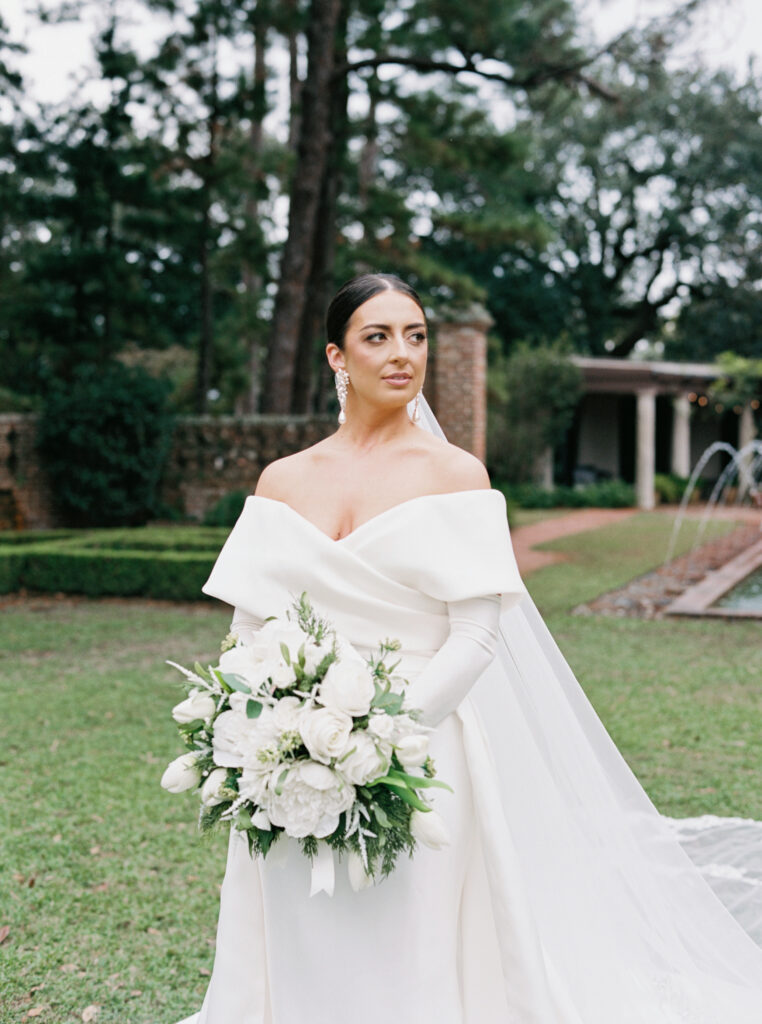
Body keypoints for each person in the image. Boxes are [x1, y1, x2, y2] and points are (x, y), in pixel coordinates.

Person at [176, 273, 762, 1024]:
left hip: (420, 749)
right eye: (377, 336)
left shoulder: (456, 476)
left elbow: (477, 634)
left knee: (404, 933)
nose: (402, 354)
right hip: (287, 760)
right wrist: (263, 732)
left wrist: (377, 734)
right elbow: (249, 633)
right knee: (303, 924)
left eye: (416, 336)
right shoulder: (283, 482)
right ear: (336, 357)